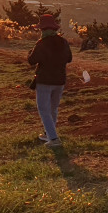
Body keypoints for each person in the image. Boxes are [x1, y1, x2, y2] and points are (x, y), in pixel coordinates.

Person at [28, 13, 73, 147]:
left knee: (43, 109)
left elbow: (32, 60)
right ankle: (49, 133)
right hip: (60, 80)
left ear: (42, 29)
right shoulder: (63, 42)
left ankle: (53, 138)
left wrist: (30, 52)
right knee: (53, 109)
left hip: (44, 81)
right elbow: (69, 58)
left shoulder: (42, 43)